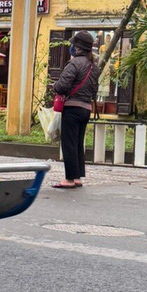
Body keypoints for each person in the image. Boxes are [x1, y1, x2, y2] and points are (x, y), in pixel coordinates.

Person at [51, 30, 100, 189]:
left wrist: (55, 86)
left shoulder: (74, 64)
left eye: (73, 44)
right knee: (78, 143)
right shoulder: (94, 67)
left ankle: (69, 179)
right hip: (86, 109)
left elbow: (63, 86)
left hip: (72, 108)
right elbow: (94, 90)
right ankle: (78, 176)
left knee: (69, 144)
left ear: (77, 47)